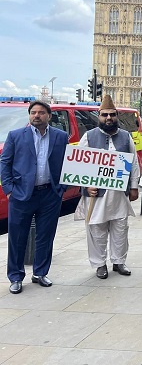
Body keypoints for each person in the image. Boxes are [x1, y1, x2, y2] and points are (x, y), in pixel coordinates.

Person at [1, 100, 68, 294]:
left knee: (46, 236)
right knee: (17, 238)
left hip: (49, 194)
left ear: (49, 116)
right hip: (22, 195)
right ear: (29, 115)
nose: (36, 115)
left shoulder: (60, 136)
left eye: (40, 112)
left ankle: (40, 273)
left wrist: (61, 188)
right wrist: (9, 189)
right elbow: (5, 163)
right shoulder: (15, 136)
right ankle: (15, 277)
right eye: (33, 112)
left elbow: (67, 162)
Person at [74, 95, 140, 279]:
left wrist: (134, 187)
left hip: (118, 194)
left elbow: (133, 163)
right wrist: (86, 187)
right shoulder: (89, 136)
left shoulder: (126, 137)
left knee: (120, 228)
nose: (108, 118)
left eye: (112, 115)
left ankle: (119, 261)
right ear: (99, 116)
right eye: (105, 115)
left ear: (116, 115)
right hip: (96, 195)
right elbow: (79, 165)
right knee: (97, 230)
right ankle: (100, 264)